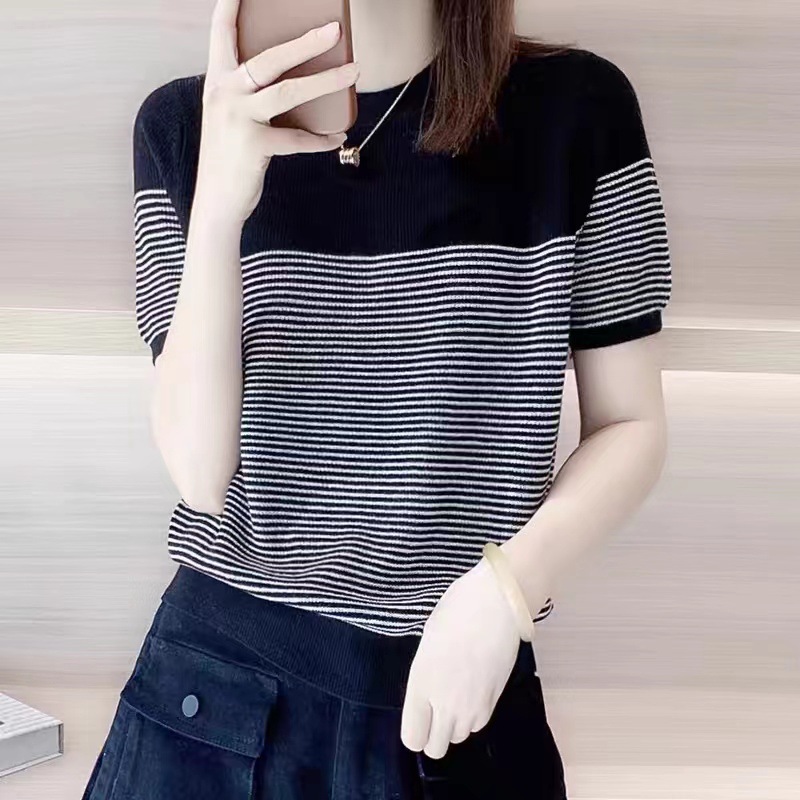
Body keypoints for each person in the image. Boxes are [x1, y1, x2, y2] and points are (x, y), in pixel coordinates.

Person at [81, 0, 672, 797]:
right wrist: (219, 206)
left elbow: (631, 423)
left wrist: (508, 588)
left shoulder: (577, 113)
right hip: (218, 699)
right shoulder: (184, 126)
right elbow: (199, 473)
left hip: (456, 695)